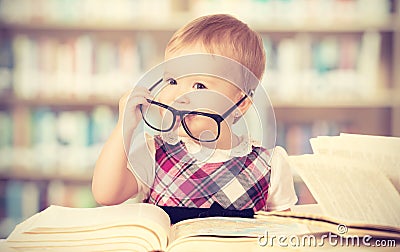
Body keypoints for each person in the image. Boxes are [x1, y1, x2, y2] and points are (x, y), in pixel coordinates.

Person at [92, 14, 297, 222]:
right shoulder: (155, 153)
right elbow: (106, 194)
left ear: (240, 104)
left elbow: (282, 233)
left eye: (199, 86)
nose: (179, 96)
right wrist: (124, 127)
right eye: (172, 81)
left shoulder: (269, 166)